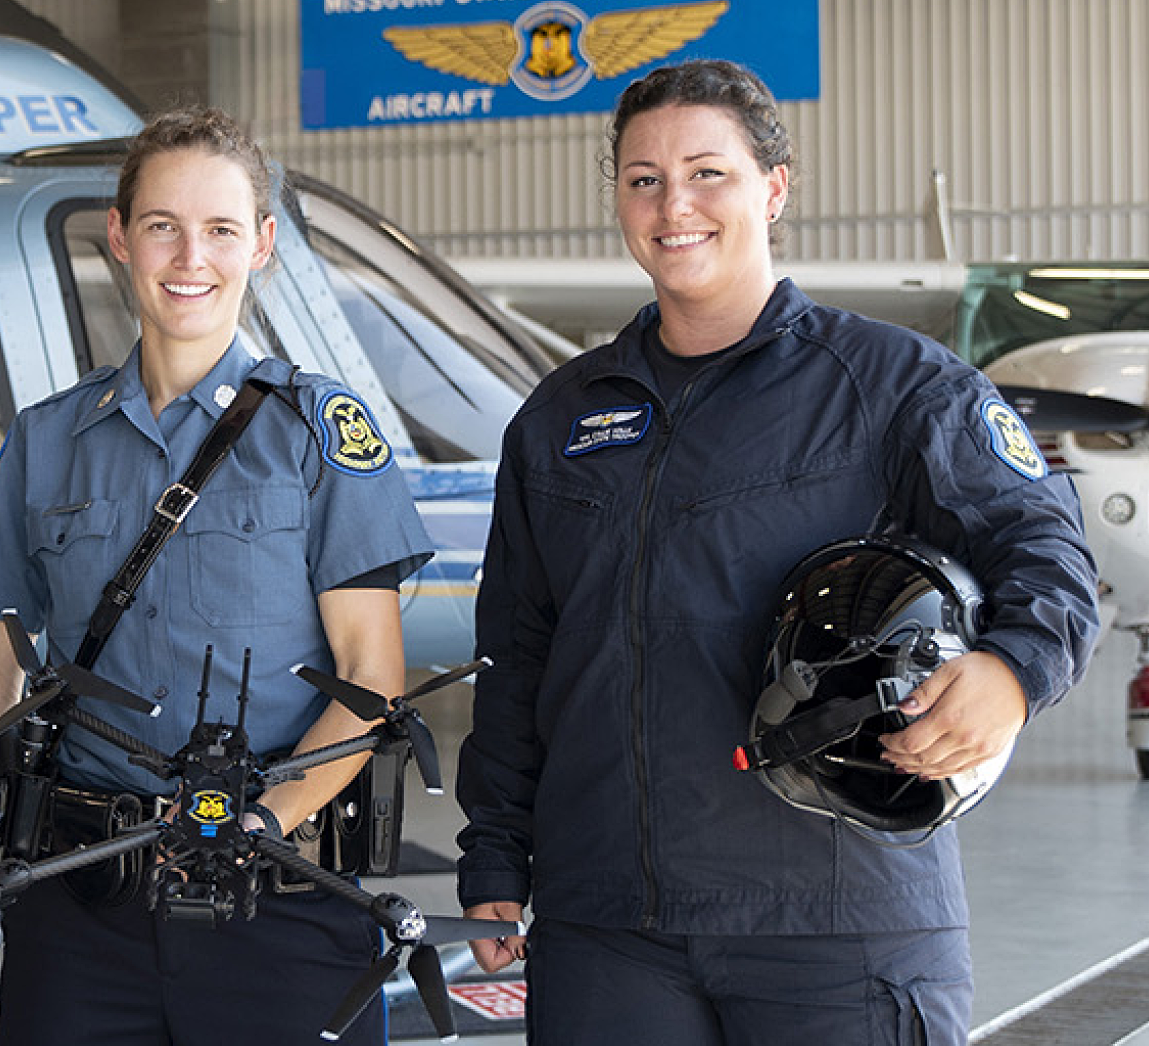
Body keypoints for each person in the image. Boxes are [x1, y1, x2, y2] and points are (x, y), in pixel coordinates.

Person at [455, 59, 1100, 1045]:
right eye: (643, 179)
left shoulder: (895, 385)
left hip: (839, 921)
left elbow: (1042, 541)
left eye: (708, 172)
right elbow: (517, 657)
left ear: (775, 185)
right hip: (610, 927)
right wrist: (496, 856)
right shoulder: (558, 421)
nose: (675, 204)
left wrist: (1012, 672)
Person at [0, 105, 435, 1044]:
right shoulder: (47, 442)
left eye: (221, 230)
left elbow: (370, 677)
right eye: (162, 226)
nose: (189, 257)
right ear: (120, 237)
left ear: (263, 245)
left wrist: (262, 826)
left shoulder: (321, 434)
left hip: (274, 898)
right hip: (78, 908)